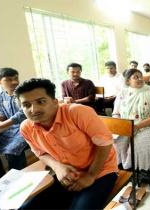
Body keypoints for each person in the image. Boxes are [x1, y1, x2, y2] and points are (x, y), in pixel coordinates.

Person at [17, 78, 118, 209]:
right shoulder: (26, 127)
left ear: (54, 102)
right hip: (68, 173)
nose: (34, 109)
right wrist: (58, 167)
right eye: (26, 105)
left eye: (40, 102)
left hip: (100, 171)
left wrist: (91, 175)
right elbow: (41, 153)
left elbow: (105, 143)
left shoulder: (77, 113)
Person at [112, 69, 150, 185]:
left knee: (140, 144)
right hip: (127, 125)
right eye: (136, 77)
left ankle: (143, 175)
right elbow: (116, 113)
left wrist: (136, 126)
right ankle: (125, 172)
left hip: (147, 125)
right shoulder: (123, 93)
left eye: (141, 76)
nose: (140, 79)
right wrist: (120, 125)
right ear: (127, 80)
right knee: (117, 142)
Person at [0, 68, 28, 180]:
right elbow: (3, 115)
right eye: (8, 79)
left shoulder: (23, 94)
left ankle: (19, 180)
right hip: (10, 129)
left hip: (27, 127)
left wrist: (0, 125)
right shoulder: (0, 97)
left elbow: (22, 115)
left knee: (12, 150)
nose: (14, 82)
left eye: (16, 78)